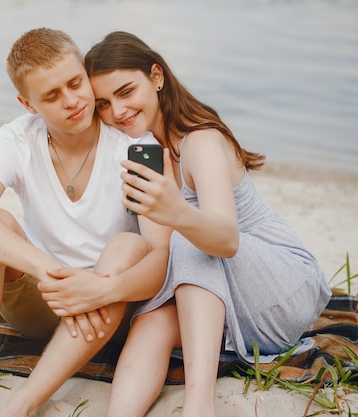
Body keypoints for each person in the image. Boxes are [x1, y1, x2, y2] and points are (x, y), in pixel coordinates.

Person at [50, 30, 330, 417]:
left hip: (280, 290)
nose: (117, 111)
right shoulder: (142, 155)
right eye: (103, 103)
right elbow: (160, 252)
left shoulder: (201, 141)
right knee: (152, 321)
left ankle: (200, 406)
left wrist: (177, 213)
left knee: (189, 242)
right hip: (218, 295)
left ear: (157, 77)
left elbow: (227, 240)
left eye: (126, 91)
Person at [0, 28, 171, 417]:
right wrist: (53, 271)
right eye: (51, 96)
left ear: (84, 71)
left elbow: (160, 261)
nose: (72, 101)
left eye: (76, 83)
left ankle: (23, 404)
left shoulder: (135, 148)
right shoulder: (17, 139)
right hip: (46, 298)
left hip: (110, 305)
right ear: (28, 103)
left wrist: (96, 288)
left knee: (129, 246)